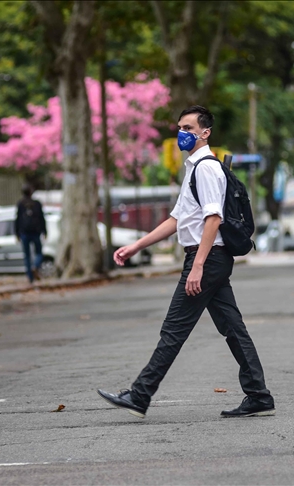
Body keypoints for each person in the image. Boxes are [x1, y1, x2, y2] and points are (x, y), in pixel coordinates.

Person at [98, 105, 275, 419]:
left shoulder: (206, 168)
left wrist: (197, 266)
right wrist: (136, 246)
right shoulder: (195, 169)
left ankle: (140, 395)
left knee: (174, 330)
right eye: (180, 127)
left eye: (190, 128)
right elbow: (177, 219)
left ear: (205, 133)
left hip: (206, 258)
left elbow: (213, 219)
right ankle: (259, 395)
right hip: (211, 259)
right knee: (233, 328)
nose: (183, 133)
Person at [15, 184, 47, 283]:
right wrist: (45, 231)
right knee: (39, 253)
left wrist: (17, 233)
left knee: (27, 256)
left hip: (24, 233)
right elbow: (42, 218)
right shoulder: (37, 203)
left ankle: (30, 277)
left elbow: (17, 219)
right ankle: (35, 266)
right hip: (36, 232)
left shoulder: (20, 203)